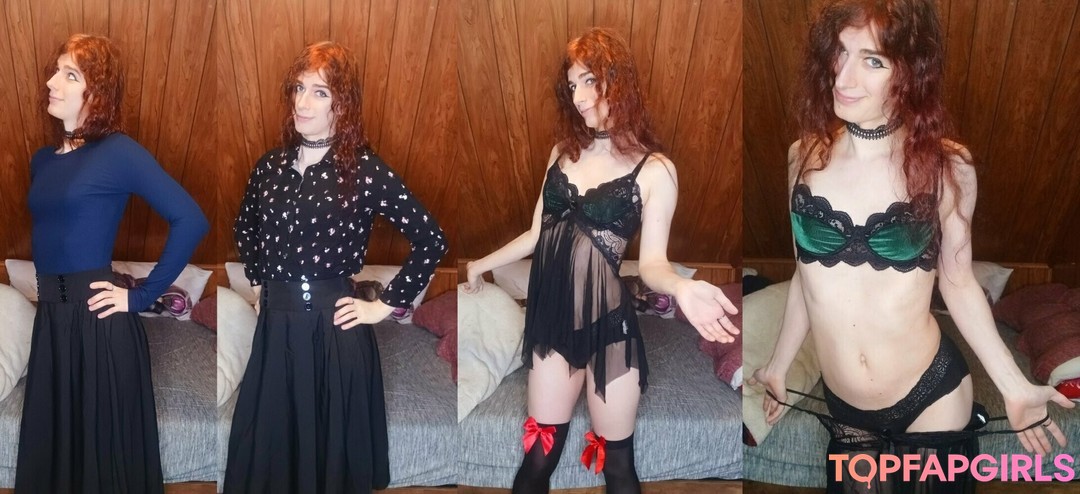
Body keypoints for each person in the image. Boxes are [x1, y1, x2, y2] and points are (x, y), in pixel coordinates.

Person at [748, 0, 1073, 491]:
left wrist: (1014, 385)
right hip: (845, 406)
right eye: (840, 52)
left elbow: (959, 284)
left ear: (909, 73)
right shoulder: (803, 157)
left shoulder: (947, 166)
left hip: (932, 397)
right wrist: (777, 366)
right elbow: (806, 278)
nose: (844, 77)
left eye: (872, 60)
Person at [463, 28, 739, 494]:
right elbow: (536, 234)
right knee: (538, 458)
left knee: (618, 467)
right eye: (572, 85)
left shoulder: (655, 170)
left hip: (610, 329)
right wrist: (478, 264)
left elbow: (651, 265)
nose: (579, 98)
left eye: (590, 81)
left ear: (619, 79)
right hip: (553, 324)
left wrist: (681, 286)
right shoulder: (561, 154)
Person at [225, 41, 447, 494]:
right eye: (299, 88)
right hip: (276, 326)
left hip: (335, 328)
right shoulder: (269, 166)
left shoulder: (364, 170)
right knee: (270, 452)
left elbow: (432, 239)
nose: (303, 102)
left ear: (341, 104)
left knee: (331, 460)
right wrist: (258, 283)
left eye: (320, 92)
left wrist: (383, 306)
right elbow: (244, 226)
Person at [16, 34, 209, 493]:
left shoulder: (117, 152)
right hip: (52, 322)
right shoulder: (42, 161)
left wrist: (142, 296)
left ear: (96, 91)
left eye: (70, 74)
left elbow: (191, 220)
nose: (52, 82)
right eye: (56, 70)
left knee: (103, 463)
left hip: (98, 322)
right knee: (56, 456)